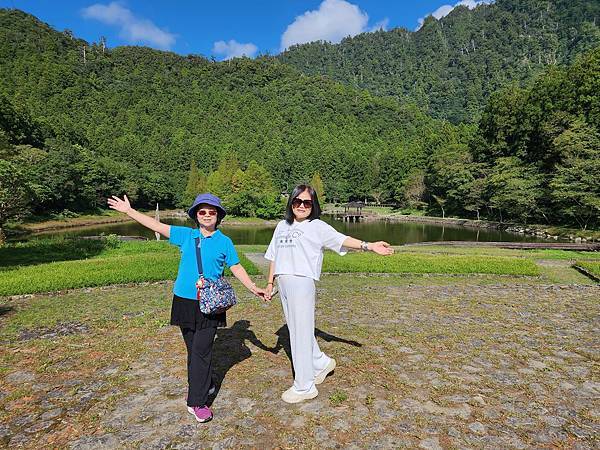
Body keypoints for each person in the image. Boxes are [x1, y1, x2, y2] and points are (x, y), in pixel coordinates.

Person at [108, 193, 265, 423]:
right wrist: (129, 211)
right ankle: (207, 384)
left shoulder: (225, 242)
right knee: (194, 351)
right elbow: (156, 225)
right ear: (196, 215)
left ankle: (196, 402)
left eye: (212, 212)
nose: (208, 215)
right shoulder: (186, 236)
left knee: (201, 351)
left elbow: (237, 267)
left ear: (218, 215)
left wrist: (253, 287)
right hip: (184, 301)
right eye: (203, 211)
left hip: (211, 303)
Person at [263, 185, 393, 403]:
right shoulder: (281, 226)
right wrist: (270, 282)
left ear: (313, 205)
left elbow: (342, 240)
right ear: (291, 203)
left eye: (307, 202)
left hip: (302, 282)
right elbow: (274, 255)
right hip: (283, 283)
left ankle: (305, 387)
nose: (301, 206)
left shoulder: (317, 227)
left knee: (300, 335)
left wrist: (369, 245)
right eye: (297, 201)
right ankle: (321, 363)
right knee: (296, 329)